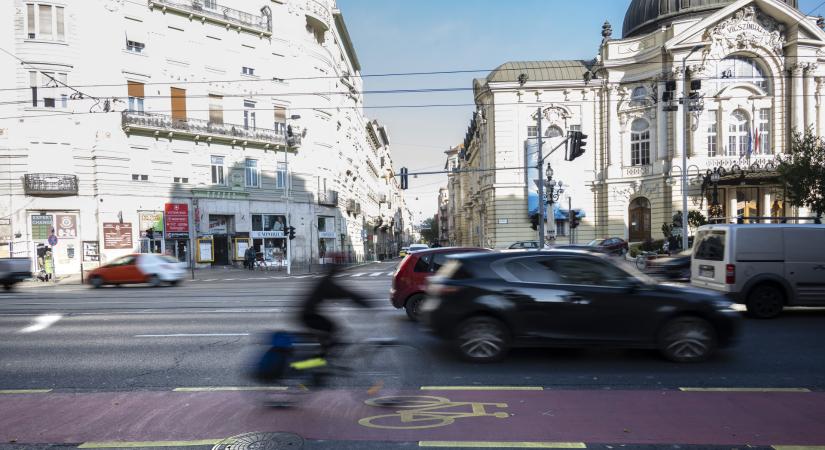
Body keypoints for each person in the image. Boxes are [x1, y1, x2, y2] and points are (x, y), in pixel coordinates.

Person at [299, 252, 370, 353]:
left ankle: (323, 352)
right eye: (339, 265)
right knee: (332, 328)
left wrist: (359, 300)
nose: (340, 268)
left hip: (307, 313)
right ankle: (318, 360)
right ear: (334, 266)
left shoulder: (326, 279)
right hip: (308, 315)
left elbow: (341, 292)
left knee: (329, 332)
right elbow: (343, 293)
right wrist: (364, 302)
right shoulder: (326, 282)